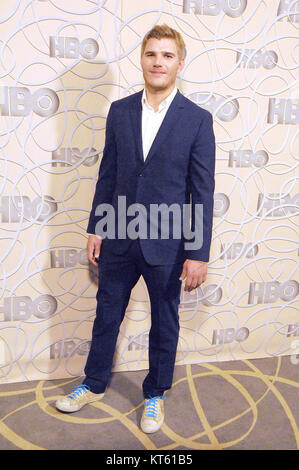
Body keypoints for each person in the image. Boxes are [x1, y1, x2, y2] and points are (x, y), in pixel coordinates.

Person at [56, 24, 215, 434]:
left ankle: (155, 393)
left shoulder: (197, 120)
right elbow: (108, 175)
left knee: (165, 320)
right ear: (141, 60)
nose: (158, 62)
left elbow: (202, 193)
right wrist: (96, 227)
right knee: (106, 313)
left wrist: (197, 253)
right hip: (119, 236)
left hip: (168, 242)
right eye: (151, 54)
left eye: (166, 55)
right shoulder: (121, 111)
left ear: (180, 63)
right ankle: (92, 383)